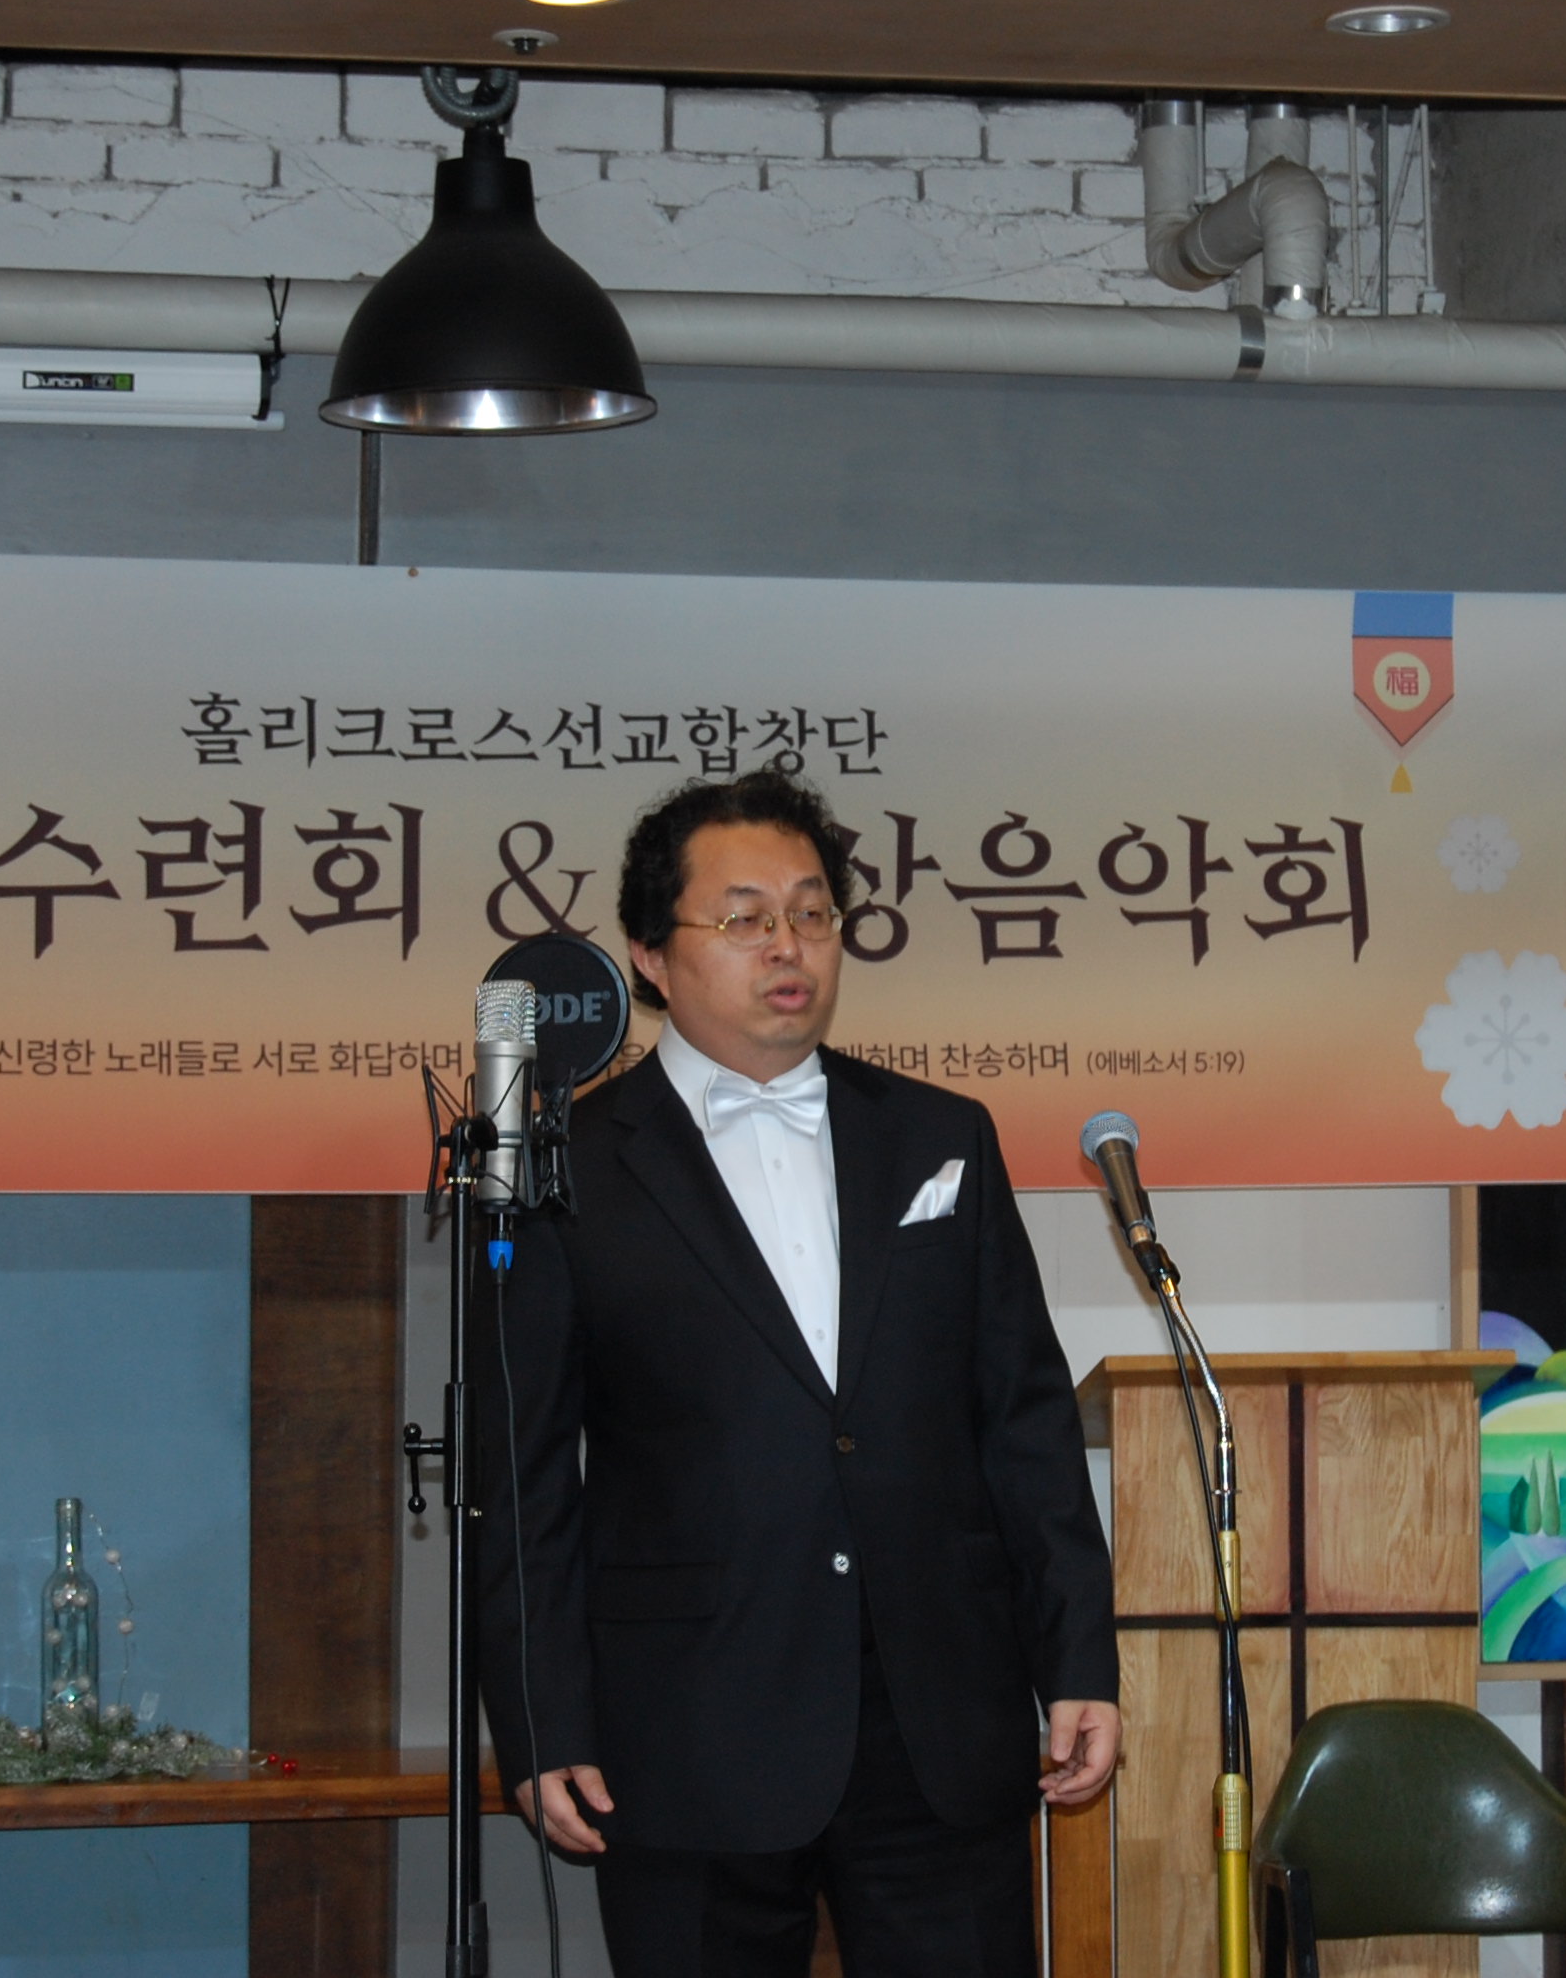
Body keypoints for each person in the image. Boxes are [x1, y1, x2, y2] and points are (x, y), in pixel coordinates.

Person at [472, 770, 1120, 1978]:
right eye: (744, 917)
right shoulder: (568, 1170)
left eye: (812, 913)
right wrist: (539, 1713)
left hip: (935, 1717)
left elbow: (1023, 1420)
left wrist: (1077, 1655)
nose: (788, 945)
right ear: (650, 955)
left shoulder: (939, 1137)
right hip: (686, 1726)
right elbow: (522, 1472)